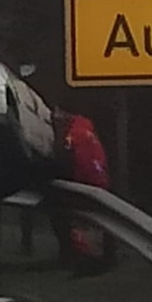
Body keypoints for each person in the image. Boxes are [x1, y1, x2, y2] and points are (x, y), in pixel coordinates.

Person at [49, 106, 116, 273]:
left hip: (85, 185)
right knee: (92, 226)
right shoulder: (84, 128)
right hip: (98, 183)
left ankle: (84, 261)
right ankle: (95, 258)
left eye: (57, 113)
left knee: (73, 222)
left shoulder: (73, 135)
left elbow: (68, 161)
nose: (55, 117)